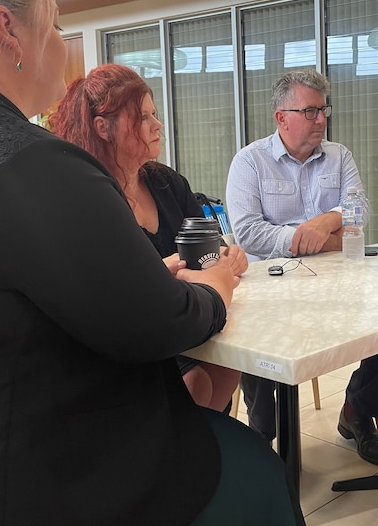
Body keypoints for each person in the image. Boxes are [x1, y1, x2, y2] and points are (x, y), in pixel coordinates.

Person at [0, 0, 304, 525]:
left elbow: (8, 297)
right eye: (53, 22)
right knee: (256, 468)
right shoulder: (28, 162)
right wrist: (216, 283)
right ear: (9, 29)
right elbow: (162, 325)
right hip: (40, 478)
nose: (63, 39)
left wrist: (156, 278)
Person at [226, 69, 378, 465]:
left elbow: (358, 212)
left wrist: (323, 223)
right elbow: (247, 233)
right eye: (310, 111)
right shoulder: (250, 162)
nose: (321, 119)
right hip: (270, 288)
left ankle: (358, 410)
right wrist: (305, 238)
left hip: (342, 280)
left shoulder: (339, 155)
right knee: (250, 334)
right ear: (282, 117)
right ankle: (263, 439)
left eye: (323, 110)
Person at [50, 63, 246, 412]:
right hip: (136, 343)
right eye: (142, 117)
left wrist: (227, 257)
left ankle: (202, 447)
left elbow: (210, 247)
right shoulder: (92, 198)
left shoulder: (167, 183)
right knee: (196, 383)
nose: (157, 125)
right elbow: (104, 295)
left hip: (193, 320)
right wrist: (160, 271)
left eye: (154, 114)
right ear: (103, 127)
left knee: (225, 366)